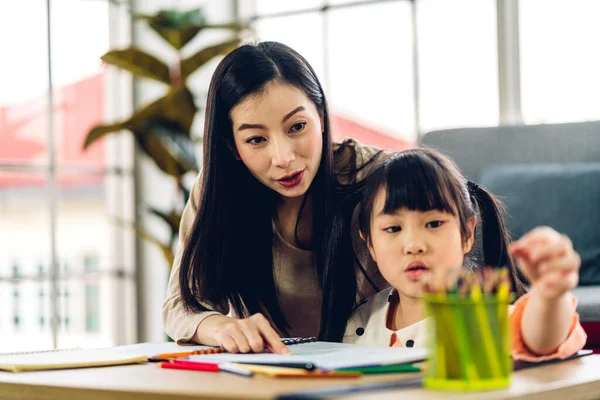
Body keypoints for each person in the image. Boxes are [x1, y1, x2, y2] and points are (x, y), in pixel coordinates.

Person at [162, 41, 389, 354]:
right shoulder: (218, 189)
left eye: (297, 126)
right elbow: (180, 305)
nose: (283, 157)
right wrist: (223, 326)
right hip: (267, 377)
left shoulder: (380, 177)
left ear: (321, 117)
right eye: (256, 139)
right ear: (232, 147)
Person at [344, 148, 586, 360]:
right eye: (393, 229)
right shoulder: (360, 320)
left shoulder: (483, 313)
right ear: (371, 245)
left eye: (434, 224)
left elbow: (539, 338)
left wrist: (550, 297)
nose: (414, 245)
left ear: (467, 234)